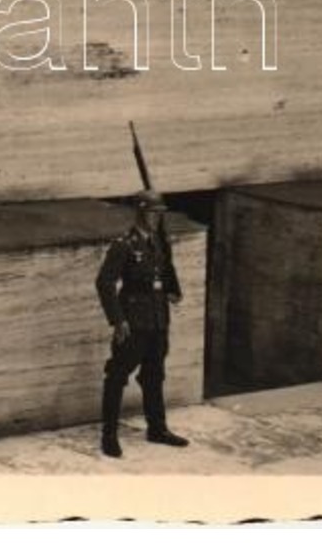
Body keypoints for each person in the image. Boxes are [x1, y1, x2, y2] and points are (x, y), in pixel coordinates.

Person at [95, 190, 189, 458]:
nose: (157, 219)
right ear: (139, 212)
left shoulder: (159, 242)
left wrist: (174, 289)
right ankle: (109, 436)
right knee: (116, 377)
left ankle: (157, 429)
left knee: (154, 376)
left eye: (160, 214)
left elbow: (167, 269)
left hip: (159, 321)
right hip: (133, 323)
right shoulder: (124, 245)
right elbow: (104, 282)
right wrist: (118, 320)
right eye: (152, 213)